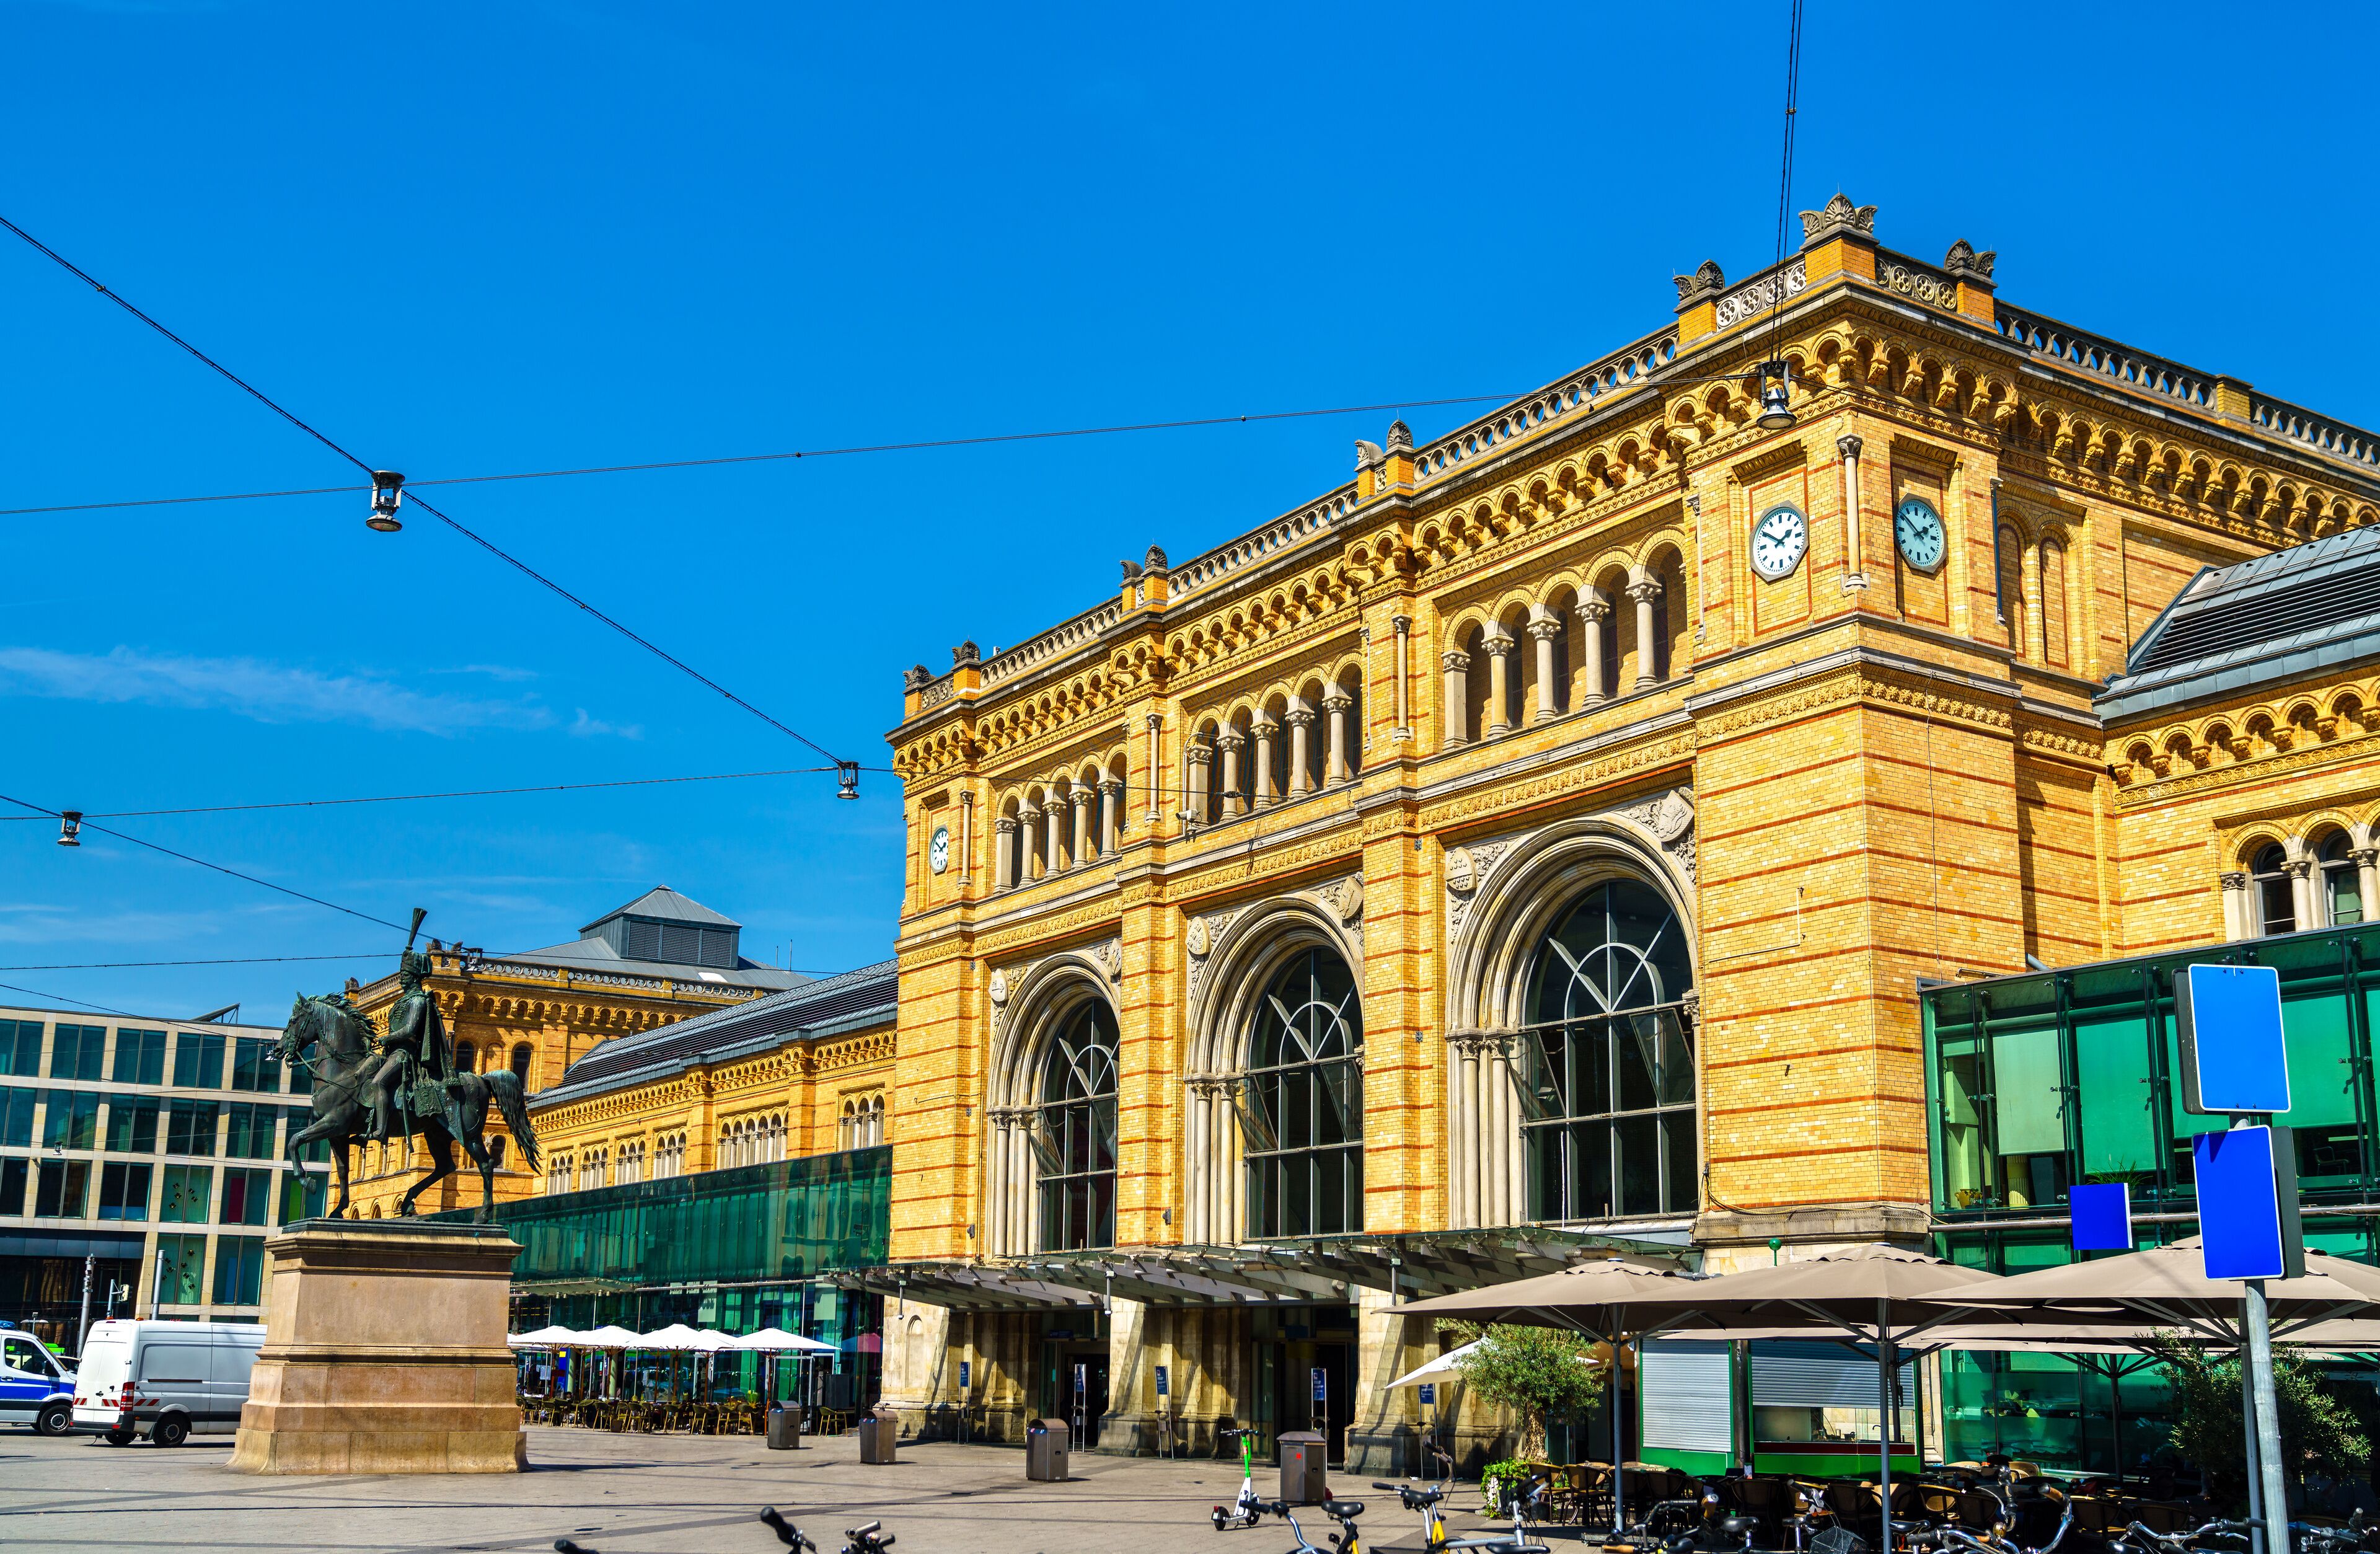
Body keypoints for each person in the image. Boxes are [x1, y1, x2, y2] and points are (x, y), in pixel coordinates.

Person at [370, 947, 453, 1144]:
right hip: (391, 1053)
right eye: (401, 975)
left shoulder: (418, 1001)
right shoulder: (403, 1001)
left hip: (404, 1054)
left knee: (378, 1082)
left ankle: (381, 1130)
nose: (401, 979)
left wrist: (388, 1038)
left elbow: (409, 1030)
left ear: (415, 977)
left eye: (405, 975)